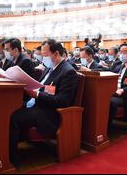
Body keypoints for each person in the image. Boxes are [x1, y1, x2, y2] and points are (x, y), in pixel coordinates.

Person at [9, 39, 78, 167]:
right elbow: (41, 86)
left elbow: (62, 101)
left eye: (45, 55)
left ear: (56, 54)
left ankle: (12, 158)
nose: (42, 58)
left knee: (14, 117)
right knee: (9, 110)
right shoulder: (50, 68)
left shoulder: (68, 72)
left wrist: (37, 94)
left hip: (48, 113)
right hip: (37, 105)